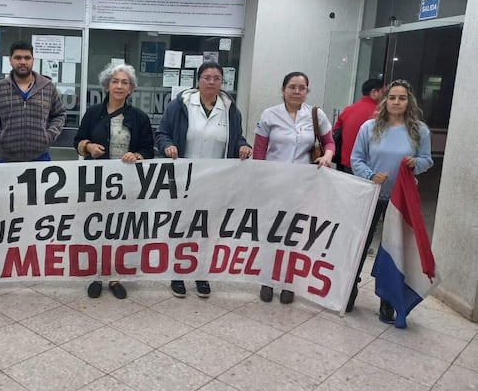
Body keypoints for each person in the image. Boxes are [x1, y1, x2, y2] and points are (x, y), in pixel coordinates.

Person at [156, 61, 252, 299]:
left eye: (216, 78)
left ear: (222, 82)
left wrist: (243, 147)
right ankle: (178, 272)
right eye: (207, 77)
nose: (211, 82)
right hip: (183, 178)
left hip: (215, 180)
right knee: (181, 225)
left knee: (208, 227)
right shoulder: (180, 106)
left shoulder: (230, 110)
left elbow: (237, 138)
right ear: (198, 80)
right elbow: (162, 133)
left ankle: (202, 272)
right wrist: (167, 146)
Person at [349, 79, 433, 321]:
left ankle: (388, 299)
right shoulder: (370, 127)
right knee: (361, 244)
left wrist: (415, 164)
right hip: (372, 194)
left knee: (395, 248)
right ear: (386, 100)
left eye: (402, 98)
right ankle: (350, 288)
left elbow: (428, 159)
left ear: (409, 102)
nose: (397, 102)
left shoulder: (420, 130)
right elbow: (357, 159)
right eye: (393, 97)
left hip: (402, 199)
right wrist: (369, 175)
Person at [73, 63, 154, 300]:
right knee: (96, 227)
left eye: (124, 82)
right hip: (96, 182)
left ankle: (116, 276)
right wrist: (87, 146)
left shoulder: (139, 118)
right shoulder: (92, 113)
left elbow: (148, 150)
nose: (119, 86)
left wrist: (136, 155)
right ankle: (96, 274)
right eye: (115, 81)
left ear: (131, 89)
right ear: (107, 85)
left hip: (126, 184)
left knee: (120, 229)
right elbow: (77, 141)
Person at [253, 71, 335, 304]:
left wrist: (327, 156)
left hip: (304, 183)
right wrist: (259, 180)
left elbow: (329, 142)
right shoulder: (270, 115)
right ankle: (267, 279)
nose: (297, 91)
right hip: (274, 182)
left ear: (307, 91)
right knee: (272, 231)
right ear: (283, 89)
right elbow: (259, 150)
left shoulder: (315, 115)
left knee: (296, 233)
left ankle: (288, 282)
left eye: (302, 87)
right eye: (292, 87)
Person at [0, 40, 66, 162]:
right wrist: (1, 137)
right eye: (18, 58)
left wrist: (49, 136)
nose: (23, 62)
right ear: (10, 60)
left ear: (32, 60)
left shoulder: (47, 87)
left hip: (40, 159)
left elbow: (59, 114)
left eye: (27, 58)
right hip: (7, 160)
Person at [334, 78, 383, 171]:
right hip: (368, 167)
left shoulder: (349, 109)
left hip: (345, 164)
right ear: (374, 92)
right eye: (383, 92)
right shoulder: (380, 113)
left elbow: (336, 131)